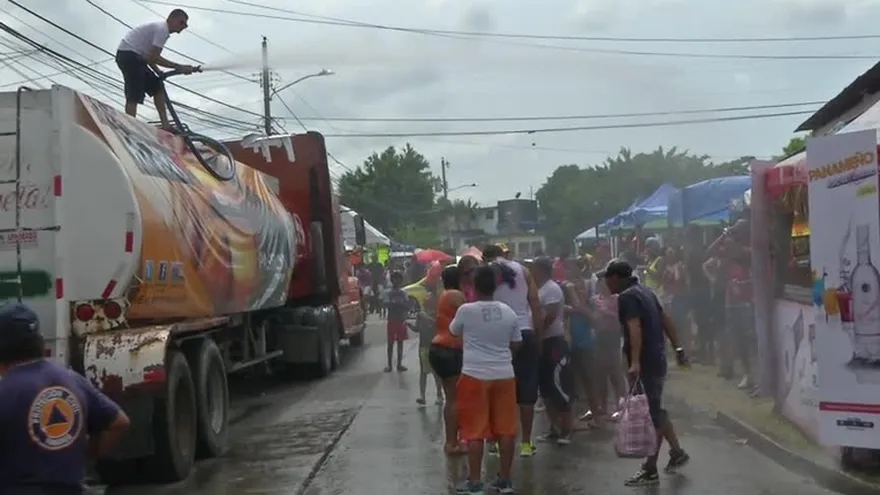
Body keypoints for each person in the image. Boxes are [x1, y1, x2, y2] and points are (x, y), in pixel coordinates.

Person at [0, 302, 131, 493]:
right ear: (40, 341)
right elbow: (120, 422)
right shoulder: (71, 379)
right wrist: (85, 454)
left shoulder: (5, 391)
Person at [603, 260, 690, 486]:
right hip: (657, 357)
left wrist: (634, 362)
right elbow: (664, 319)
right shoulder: (646, 291)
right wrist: (678, 347)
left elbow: (635, 327)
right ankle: (677, 451)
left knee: (652, 414)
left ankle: (650, 468)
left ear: (615, 278)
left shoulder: (627, 296)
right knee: (655, 408)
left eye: (607, 278)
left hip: (646, 361)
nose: (605, 283)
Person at [451, 266, 522, 495]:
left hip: (474, 375)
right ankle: (506, 480)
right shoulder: (508, 311)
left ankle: (474, 482)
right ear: (496, 286)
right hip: (504, 374)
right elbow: (517, 342)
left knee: (474, 431)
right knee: (506, 429)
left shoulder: (466, 310)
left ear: (473, 286)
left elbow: (453, 331)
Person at [482, 244, 542, 458]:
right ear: (504, 255)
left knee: (499, 389)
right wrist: (539, 335)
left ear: (485, 257)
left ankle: (498, 442)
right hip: (525, 331)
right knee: (526, 391)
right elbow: (535, 303)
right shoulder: (523, 270)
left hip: (497, 335)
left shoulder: (486, 272)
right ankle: (526, 443)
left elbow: (481, 303)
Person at [115, 9, 199, 129]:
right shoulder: (162, 30)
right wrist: (179, 67)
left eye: (185, 24)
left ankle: (165, 124)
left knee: (157, 86)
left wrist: (158, 71)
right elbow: (154, 57)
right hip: (128, 55)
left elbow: (149, 57)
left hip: (137, 57)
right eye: (181, 22)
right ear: (172, 19)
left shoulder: (161, 31)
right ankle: (130, 124)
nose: (184, 26)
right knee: (134, 92)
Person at [531, 257, 575, 444]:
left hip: (554, 341)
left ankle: (566, 429)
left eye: (533, 269)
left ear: (541, 270)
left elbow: (550, 316)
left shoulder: (551, 289)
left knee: (559, 385)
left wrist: (538, 332)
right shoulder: (539, 289)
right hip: (542, 341)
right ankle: (554, 427)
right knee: (546, 388)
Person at [428, 266, 467, 455]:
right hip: (449, 349)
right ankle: (452, 442)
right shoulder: (455, 296)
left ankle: (454, 440)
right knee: (454, 399)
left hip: (441, 348)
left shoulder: (445, 295)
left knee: (452, 398)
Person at [409, 292, 443, 406]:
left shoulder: (437, 314)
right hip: (423, 346)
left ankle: (439, 395)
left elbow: (437, 325)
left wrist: (426, 317)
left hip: (434, 346)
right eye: (426, 297)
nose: (428, 299)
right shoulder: (420, 315)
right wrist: (409, 325)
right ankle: (422, 396)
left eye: (430, 297)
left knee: (436, 372)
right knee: (423, 372)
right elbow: (417, 329)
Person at [385, 271, 409, 372]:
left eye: (398, 279)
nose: (397, 281)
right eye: (395, 279)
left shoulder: (403, 293)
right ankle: (390, 365)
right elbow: (386, 305)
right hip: (392, 319)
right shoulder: (389, 293)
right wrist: (399, 304)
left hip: (400, 320)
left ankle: (399, 364)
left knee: (400, 342)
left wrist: (396, 304)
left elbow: (407, 306)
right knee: (390, 343)